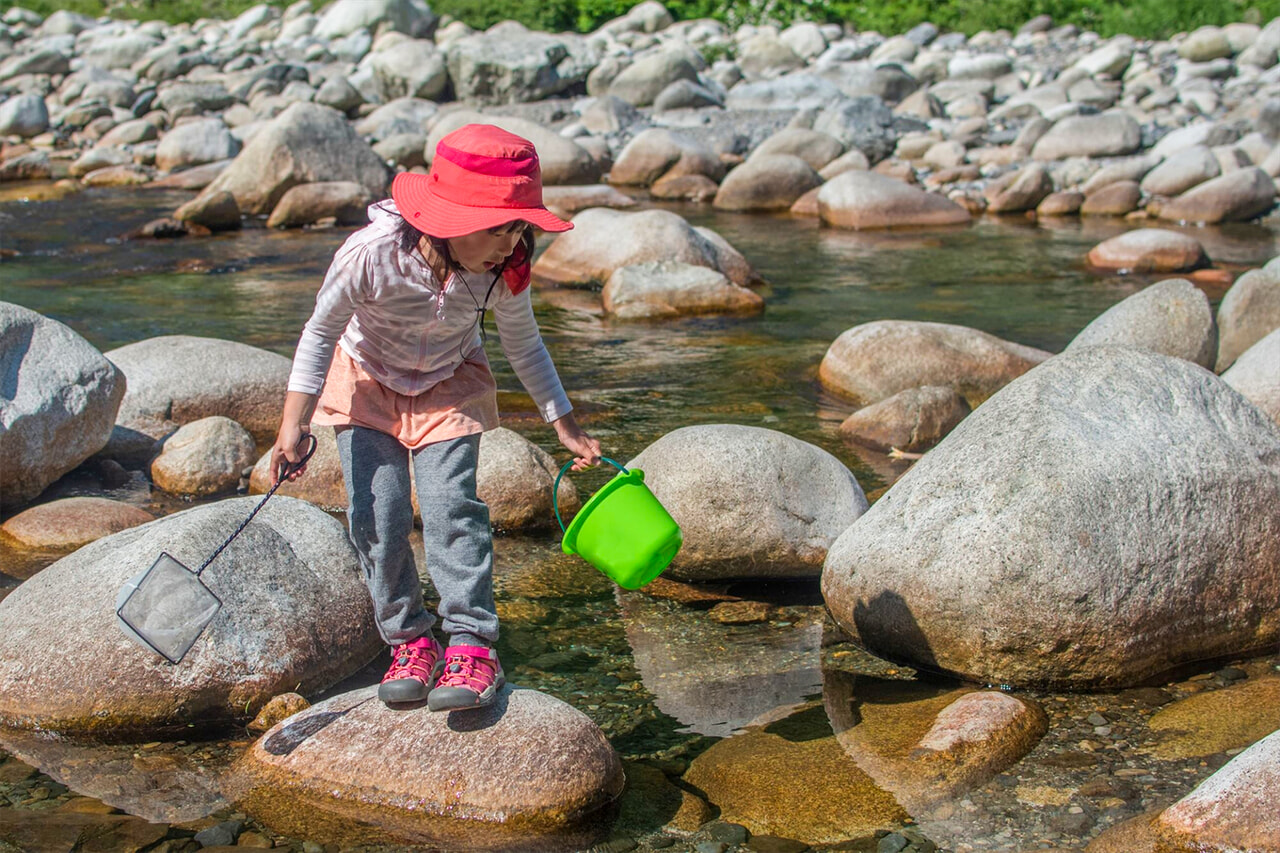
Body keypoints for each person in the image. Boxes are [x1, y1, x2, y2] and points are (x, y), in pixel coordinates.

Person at [269, 124, 601, 711]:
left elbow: (524, 345)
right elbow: (320, 332)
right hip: (368, 380)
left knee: (453, 512)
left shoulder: (505, 267)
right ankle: (409, 638)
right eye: (501, 227)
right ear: (449, 220)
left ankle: (472, 644)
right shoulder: (372, 255)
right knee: (379, 515)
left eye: (521, 226)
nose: (513, 241)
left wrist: (564, 423)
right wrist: (291, 424)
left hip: (449, 382)